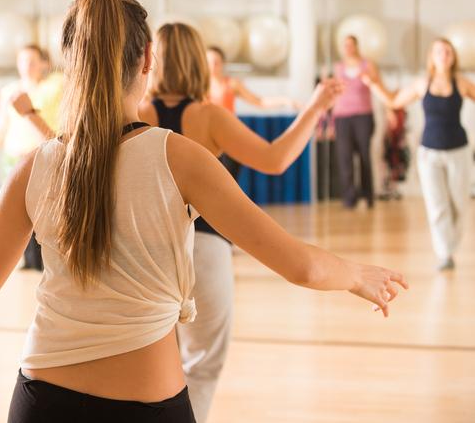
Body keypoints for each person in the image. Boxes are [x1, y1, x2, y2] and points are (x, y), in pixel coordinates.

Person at [0, 0, 405, 423]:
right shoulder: (179, 157)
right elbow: (301, 266)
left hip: (42, 402)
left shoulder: (33, 169)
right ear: (146, 62)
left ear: (72, 66)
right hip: (147, 411)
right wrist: (358, 274)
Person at [139, 22, 344, 422]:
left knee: (154, 360)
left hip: (148, 250)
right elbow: (275, 159)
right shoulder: (209, 116)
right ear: (199, 62)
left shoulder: (137, 112)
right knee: (202, 363)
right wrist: (316, 108)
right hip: (205, 249)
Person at [363, 38, 474, 270]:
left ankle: (449, 245)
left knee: (458, 204)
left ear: (453, 56)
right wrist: (374, 84)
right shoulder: (422, 83)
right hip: (429, 153)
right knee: (437, 204)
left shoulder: (461, 83)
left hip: (458, 152)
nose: (443, 55)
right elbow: (393, 101)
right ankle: (445, 254)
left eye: (447, 51)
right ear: (431, 57)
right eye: (439, 51)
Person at [0, 45, 64, 270]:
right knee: (19, 212)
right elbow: (1, 126)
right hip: (14, 158)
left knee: (45, 211)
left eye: (32, 61)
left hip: (43, 155)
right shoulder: (9, 90)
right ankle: (28, 259)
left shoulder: (55, 86)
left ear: (43, 63)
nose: (26, 66)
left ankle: (43, 261)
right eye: (22, 61)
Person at [206, 45, 301, 179]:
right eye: (209, 62)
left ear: (223, 63)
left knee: (229, 180)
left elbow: (259, 101)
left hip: (230, 138)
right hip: (210, 140)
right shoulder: (200, 87)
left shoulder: (232, 84)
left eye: (216, 61)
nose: (213, 66)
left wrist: (285, 101)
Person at [332, 35, 381, 209]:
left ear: (356, 46)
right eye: (345, 45)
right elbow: (335, 94)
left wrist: (369, 78)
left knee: (364, 156)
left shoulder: (368, 65)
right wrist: (330, 120)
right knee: (345, 157)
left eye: (351, 45)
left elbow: (377, 86)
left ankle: (368, 195)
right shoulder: (338, 67)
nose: (348, 48)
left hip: (363, 115)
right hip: (342, 116)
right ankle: (349, 197)